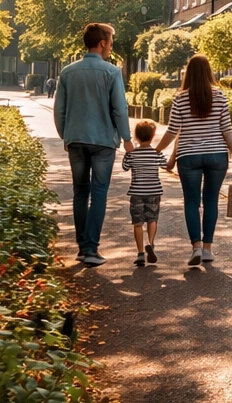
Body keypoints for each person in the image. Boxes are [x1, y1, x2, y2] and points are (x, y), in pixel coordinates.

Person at [53, 23, 132, 266]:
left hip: (76, 139)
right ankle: (90, 248)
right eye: (110, 42)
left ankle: (81, 246)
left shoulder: (68, 72)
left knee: (80, 191)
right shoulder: (112, 72)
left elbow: (59, 109)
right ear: (101, 43)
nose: (110, 47)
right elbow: (119, 109)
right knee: (98, 193)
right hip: (103, 142)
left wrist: (66, 134)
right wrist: (127, 139)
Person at [155, 54, 232, 267]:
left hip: (189, 157)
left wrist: (155, 150)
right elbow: (227, 130)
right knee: (211, 201)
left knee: (192, 202)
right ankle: (207, 249)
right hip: (217, 156)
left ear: (189, 73)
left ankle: (195, 247)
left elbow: (172, 131)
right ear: (208, 72)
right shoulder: (220, 96)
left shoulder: (180, 98)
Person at [124, 120, 165, 266]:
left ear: (136, 136)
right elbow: (165, 164)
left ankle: (141, 253)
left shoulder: (132, 154)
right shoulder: (156, 153)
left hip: (136, 192)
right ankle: (151, 243)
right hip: (154, 191)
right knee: (152, 219)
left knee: (138, 223)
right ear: (153, 136)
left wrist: (128, 153)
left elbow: (125, 167)